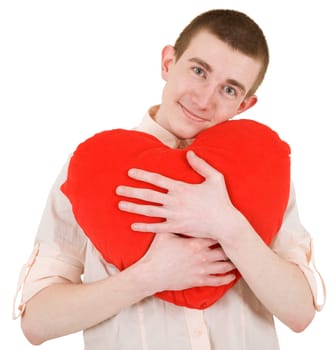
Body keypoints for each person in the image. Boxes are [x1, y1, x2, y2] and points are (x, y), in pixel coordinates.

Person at [13, 9, 324, 349]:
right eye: (198, 70)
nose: (204, 99)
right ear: (167, 63)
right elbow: (36, 323)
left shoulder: (263, 171)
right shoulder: (90, 170)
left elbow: (300, 314)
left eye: (229, 90)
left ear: (245, 105)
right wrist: (146, 277)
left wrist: (229, 227)